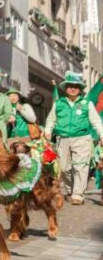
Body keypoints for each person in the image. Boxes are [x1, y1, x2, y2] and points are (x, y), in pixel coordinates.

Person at [44, 71, 103, 205]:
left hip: (82, 138)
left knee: (81, 166)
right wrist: (48, 131)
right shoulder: (59, 104)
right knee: (64, 168)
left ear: (80, 89)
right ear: (65, 88)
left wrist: (102, 134)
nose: (73, 88)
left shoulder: (86, 104)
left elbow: (96, 121)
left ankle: (78, 194)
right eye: (70, 86)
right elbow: (51, 120)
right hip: (62, 138)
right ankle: (71, 189)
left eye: (76, 86)